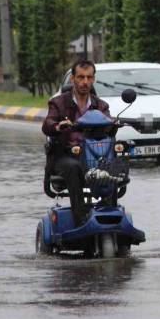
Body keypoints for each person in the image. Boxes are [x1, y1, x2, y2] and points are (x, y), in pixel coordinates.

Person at [42, 59, 112, 226]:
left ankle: (109, 213)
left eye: (89, 78)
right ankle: (80, 219)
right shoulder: (58, 103)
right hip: (65, 156)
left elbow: (109, 124)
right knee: (73, 168)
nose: (85, 82)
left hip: (93, 156)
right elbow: (47, 124)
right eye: (80, 77)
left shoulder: (100, 105)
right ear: (72, 79)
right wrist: (58, 126)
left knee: (114, 165)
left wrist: (112, 125)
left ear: (93, 79)